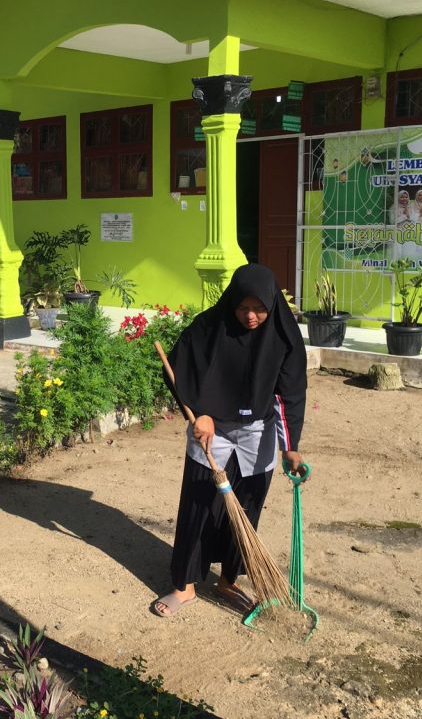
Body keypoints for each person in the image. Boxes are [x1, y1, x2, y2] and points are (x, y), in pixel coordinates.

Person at [152, 264, 307, 617]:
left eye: (259, 308)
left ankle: (228, 580)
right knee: (199, 506)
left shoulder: (283, 336)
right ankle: (185, 585)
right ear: (232, 303)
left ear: (272, 304)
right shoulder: (209, 327)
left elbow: (288, 394)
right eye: (242, 308)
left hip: (258, 434)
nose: (250, 316)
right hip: (212, 430)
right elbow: (179, 370)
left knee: (246, 510)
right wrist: (200, 411)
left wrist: (290, 447)